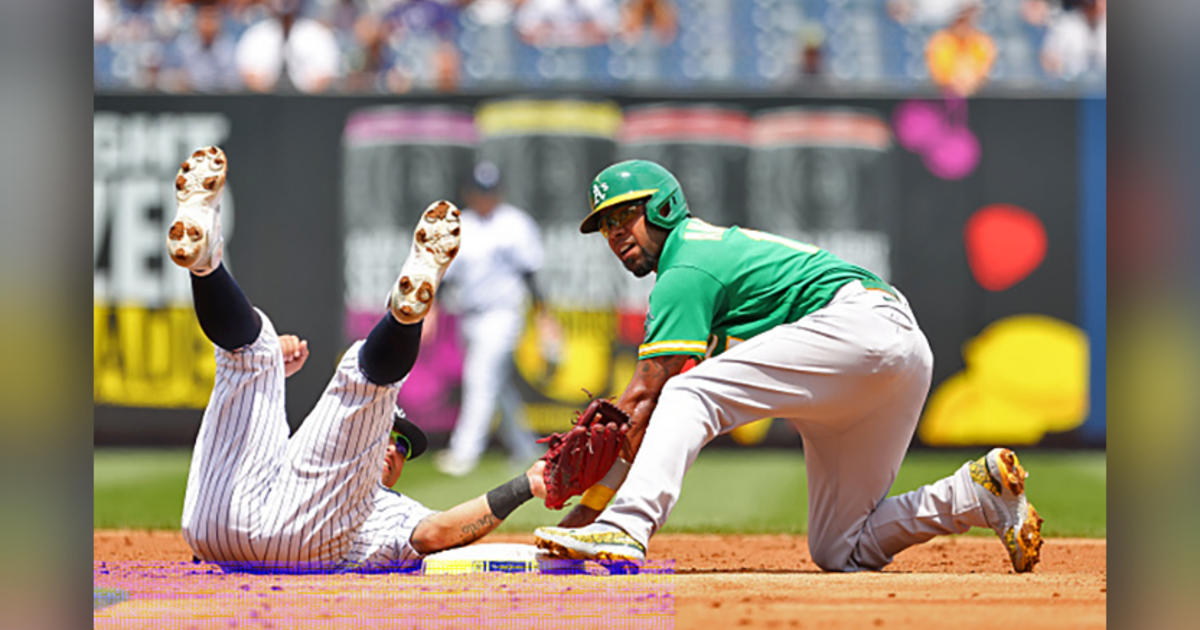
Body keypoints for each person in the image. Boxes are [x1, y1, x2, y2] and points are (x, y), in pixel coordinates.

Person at [533, 160, 1044, 573]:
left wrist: (584, 512)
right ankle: (972, 495)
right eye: (605, 225)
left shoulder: (685, 265)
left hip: (859, 328)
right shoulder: (701, 257)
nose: (615, 233)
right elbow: (643, 423)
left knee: (687, 392)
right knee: (839, 550)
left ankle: (627, 528)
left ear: (665, 207)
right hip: (891, 354)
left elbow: (645, 399)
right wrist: (582, 521)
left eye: (626, 216)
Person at [168, 145, 546, 571]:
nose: (393, 448)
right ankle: (205, 263)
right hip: (230, 524)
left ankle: (401, 317)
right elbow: (435, 535)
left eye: (403, 446)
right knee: (261, 354)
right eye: (390, 434)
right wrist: (271, 369)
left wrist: (524, 485)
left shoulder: (390, 507)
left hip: (247, 534)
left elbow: (437, 531)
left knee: (298, 363)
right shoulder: (310, 466)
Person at [433, 161, 557, 477]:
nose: (485, 197)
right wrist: (432, 308)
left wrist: (544, 316)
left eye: (490, 191)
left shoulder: (515, 224)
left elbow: (531, 275)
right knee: (498, 387)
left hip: (503, 315)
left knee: (480, 378)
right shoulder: (462, 224)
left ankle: (464, 453)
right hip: (470, 316)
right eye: (479, 191)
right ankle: (526, 448)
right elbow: (446, 277)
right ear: (469, 193)